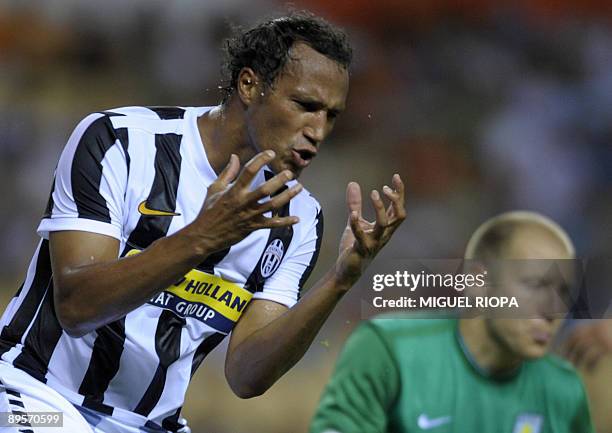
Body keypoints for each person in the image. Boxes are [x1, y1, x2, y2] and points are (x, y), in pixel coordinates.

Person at [0, 12, 406, 433]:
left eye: (332, 116)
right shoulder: (119, 141)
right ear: (249, 85)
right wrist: (202, 236)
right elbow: (77, 307)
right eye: (305, 106)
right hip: (36, 395)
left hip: (151, 424)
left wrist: (339, 281)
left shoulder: (299, 218)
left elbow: (247, 376)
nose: (318, 130)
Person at [310, 211, 593, 433]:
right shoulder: (388, 349)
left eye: (564, 292)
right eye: (535, 284)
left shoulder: (563, 390)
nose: (554, 310)